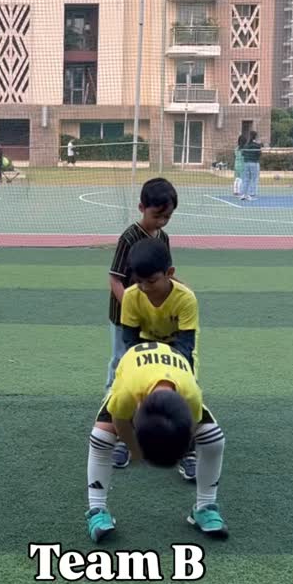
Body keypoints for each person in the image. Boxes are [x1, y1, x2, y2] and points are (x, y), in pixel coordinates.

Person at [86, 340, 228, 543]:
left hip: (173, 380)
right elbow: (120, 422)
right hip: (135, 372)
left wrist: (180, 448)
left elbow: (192, 428)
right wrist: (134, 449)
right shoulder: (127, 393)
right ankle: (96, 510)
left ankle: (205, 507)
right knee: (101, 438)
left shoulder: (192, 396)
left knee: (214, 441)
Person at [106, 177, 178, 468]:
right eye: (156, 215)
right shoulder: (130, 237)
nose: (161, 221)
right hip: (124, 316)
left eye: (167, 217)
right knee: (120, 363)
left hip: (153, 318)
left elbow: (166, 278)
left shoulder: (163, 240)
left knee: (147, 367)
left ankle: (145, 419)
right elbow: (115, 278)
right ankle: (112, 418)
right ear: (141, 208)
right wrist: (131, 308)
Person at [120, 237, 199, 479]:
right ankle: (126, 440)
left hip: (178, 351)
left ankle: (188, 451)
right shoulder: (132, 296)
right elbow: (130, 341)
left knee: (183, 395)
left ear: (169, 273)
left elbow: (186, 346)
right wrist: (141, 374)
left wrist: (169, 375)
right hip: (145, 349)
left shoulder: (186, 299)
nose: (144, 287)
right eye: (138, 281)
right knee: (133, 391)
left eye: (151, 281)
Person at [240, 130, 263, 201]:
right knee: (254, 179)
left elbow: (243, 154)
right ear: (255, 136)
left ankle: (243, 194)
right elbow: (259, 154)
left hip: (246, 163)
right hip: (254, 163)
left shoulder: (246, 145)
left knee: (246, 179)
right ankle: (251, 194)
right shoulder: (256, 145)